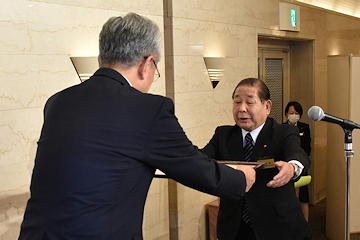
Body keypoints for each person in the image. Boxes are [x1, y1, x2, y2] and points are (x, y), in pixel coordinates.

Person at [18, 13, 256, 240]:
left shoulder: (58, 102)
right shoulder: (149, 110)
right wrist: (239, 179)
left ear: (101, 60)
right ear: (147, 63)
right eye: (156, 69)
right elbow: (193, 166)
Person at [201, 78, 312, 240]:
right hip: (235, 228)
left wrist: (292, 167)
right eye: (237, 102)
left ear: (267, 106)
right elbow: (200, 160)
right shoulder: (223, 136)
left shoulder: (283, 133)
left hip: (278, 227)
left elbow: (298, 154)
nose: (242, 109)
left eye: (249, 103)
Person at [284, 101, 311, 221]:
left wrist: (301, 162)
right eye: (291, 113)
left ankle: (305, 224)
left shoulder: (304, 127)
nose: (294, 115)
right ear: (286, 114)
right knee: (289, 197)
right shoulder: (282, 128)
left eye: (296, 113)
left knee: (303, 197)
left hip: (302, 166)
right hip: (286, 167)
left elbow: (307, 148)